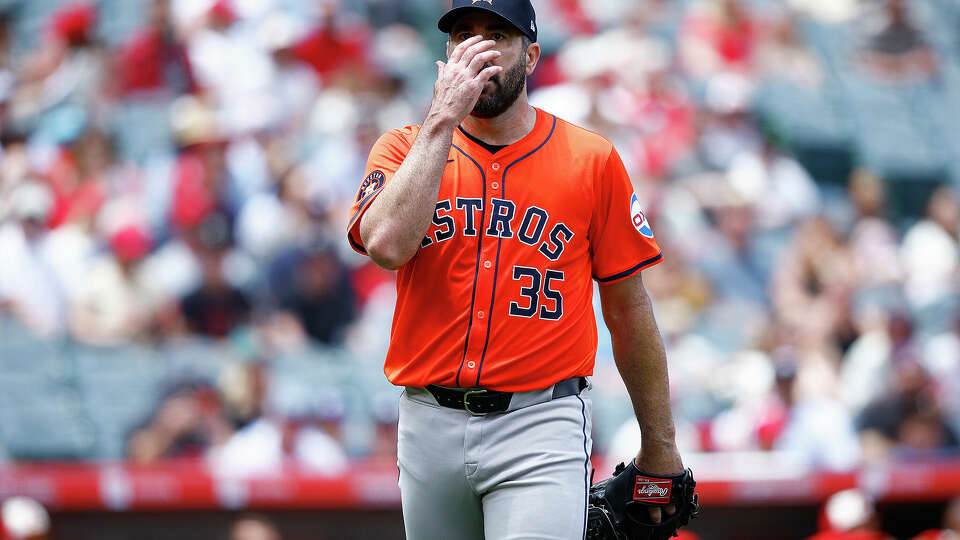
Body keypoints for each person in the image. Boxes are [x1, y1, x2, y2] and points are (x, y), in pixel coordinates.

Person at [345, 1, 685, 538]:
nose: (477, 48)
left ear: (531, 57)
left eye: (496, 34)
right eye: (463, 34)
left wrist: (660, 445)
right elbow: (385, 245)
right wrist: (441, 121)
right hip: (427, 420)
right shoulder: (404, 148)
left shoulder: (590, 160)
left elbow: (629, 311)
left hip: (539, 422)